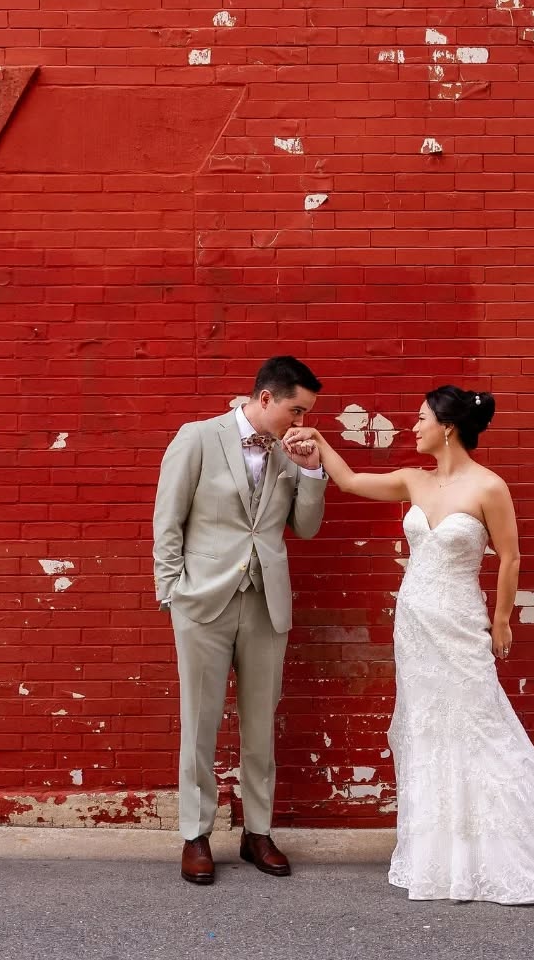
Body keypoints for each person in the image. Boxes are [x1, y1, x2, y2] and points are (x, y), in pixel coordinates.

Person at [282, 386, 534, 905]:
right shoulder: (413, 481)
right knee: (427, 726)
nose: (411, 428)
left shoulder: (489, 487)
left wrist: (502, 619)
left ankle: (498, 852)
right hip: (414, 624)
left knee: (478, 721)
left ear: (448, 427)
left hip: (460, 624)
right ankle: (437, 856)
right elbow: (348, 481)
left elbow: (510, 557)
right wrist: (319, 441)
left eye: (419, 420)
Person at [153, 356, 327, 885]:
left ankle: (258, 832)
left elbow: (307, 527)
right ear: (266, 398)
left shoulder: (292, 450)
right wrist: (171, 592)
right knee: (200, 722)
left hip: (264, 601)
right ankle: (196, 834)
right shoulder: (198, 438)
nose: (299, 422)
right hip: (202, 599)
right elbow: (168, 519)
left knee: (259, 726)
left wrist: (313, 469)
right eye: (295, 410)